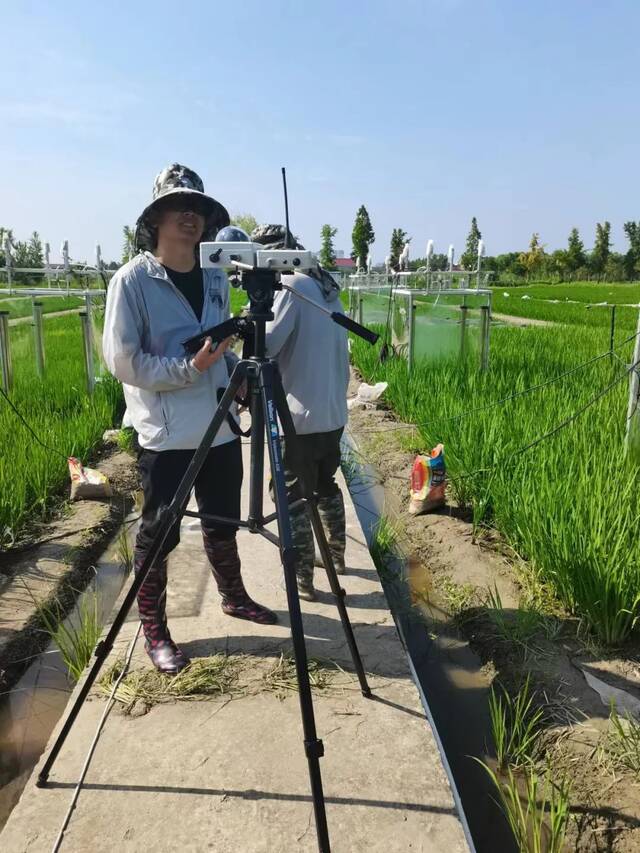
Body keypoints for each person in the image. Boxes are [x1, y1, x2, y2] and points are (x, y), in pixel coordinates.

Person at [103, 164, 277, 675]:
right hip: (167, 434)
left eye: (197, 208)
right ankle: (154, 628)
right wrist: (188, 368)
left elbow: (219, 345)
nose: (190, 216)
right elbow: (123, 360)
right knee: (160, 532)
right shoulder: (133, 281)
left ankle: (233, 595)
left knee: (222, 519)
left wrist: (232, 373)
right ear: (155, 217)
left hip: (220, 425)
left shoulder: (216, 276)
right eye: (178, 207)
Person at [258, 225, 350, 601]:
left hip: (299, 417)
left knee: (292, 495)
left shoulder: (292, 287)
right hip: (332, 412)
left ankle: (302, 581)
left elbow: (269, 344)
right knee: (326, 484)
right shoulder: (327, 288)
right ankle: (338, 557)